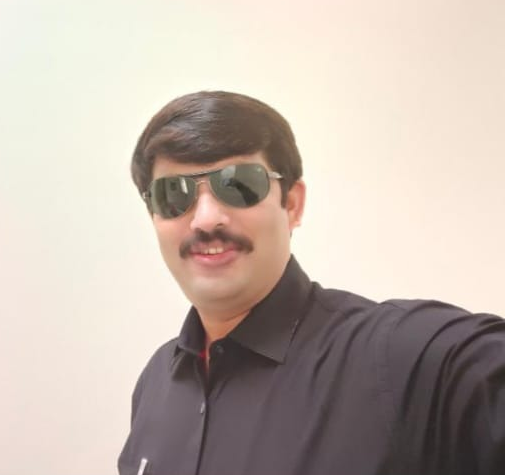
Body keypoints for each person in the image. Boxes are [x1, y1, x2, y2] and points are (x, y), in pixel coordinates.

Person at [118, 91, 505, 475]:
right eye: (173, 194)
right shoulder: (157, 382)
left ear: (292, 204)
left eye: (237, 184)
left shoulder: (402, 359)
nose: (205, 219)